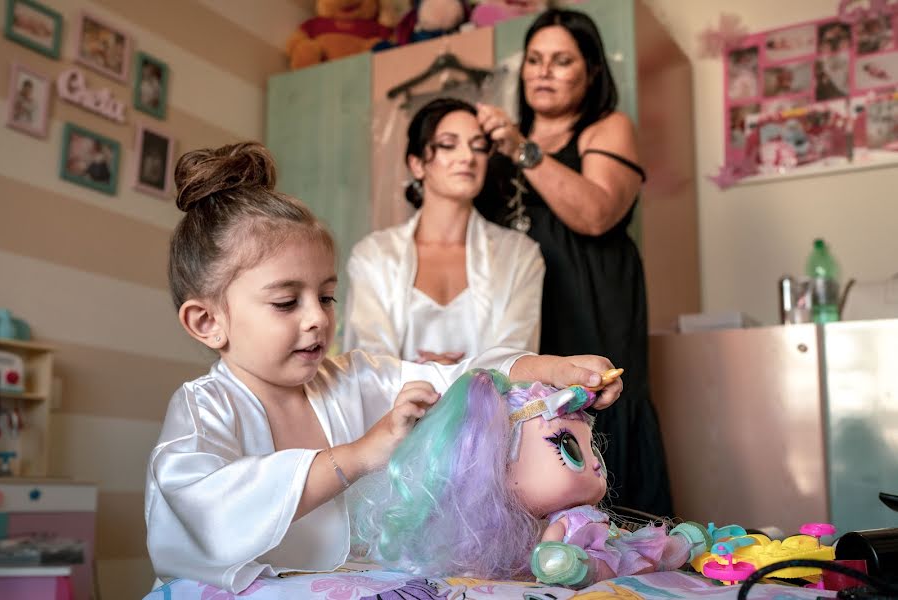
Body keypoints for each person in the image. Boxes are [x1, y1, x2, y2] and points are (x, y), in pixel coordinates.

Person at [145, 141, 623, 593]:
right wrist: (358, 455)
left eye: (327, 297)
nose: (317, 318)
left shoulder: (354, 377)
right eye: (287, 302)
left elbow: (463, 380)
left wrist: (549, 369)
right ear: (207, 322)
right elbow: (207, 510)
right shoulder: (204, 408)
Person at [473, 8, 673, 517]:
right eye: (535, 60)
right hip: (523, 303)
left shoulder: (606, 127)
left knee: (597, 403)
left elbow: (596, 214)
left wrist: (520, 147)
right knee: (525, 418)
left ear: (591, 72)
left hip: (592, 298)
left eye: (561, 61)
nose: (542, 71)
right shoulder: (500, 144)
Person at [353, 369, 708, 585]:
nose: (597, 464)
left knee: (633, 548)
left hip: (605, 550)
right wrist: (558, 561)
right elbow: (546, 551)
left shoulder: (573, 518)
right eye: (569, 448)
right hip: (581, 560)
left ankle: (674, 548)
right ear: (499, 464)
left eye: (591, 449)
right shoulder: (516, 534)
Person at [343, 98, 545, 364]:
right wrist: (437, 379)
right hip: (394, 406)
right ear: (417, 164)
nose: (467, 157)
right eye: (448, 145)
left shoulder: (520, 256)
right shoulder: (373, 256)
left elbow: (516, 362)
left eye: (479, 146)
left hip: (494, 406)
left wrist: (449, 381)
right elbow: (367, 365)